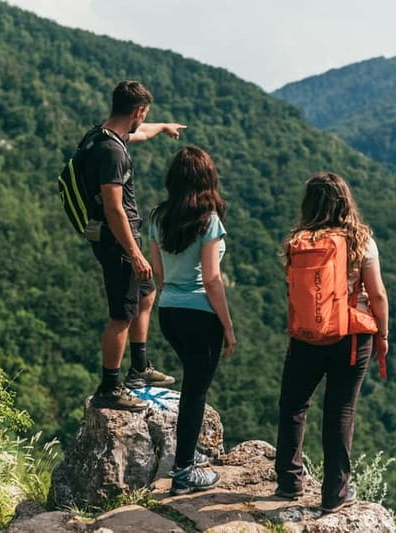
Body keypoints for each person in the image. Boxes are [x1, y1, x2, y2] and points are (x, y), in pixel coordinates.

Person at [274, 172, 389, 513]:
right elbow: (378, 294)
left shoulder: (298, 241)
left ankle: (289, 482)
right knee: (340, 410)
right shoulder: (361, 241)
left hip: (306, 337)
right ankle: (334, 494)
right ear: (345, 201)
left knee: (293, 406)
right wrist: (383, 333)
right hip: (352, 338)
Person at [80, 81, 187, 411]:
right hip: (119, 240)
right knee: (121, 315)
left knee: (146, 294)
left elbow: (140, 133)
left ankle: (139, 367)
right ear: (138, 111)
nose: (146, 120)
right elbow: (114, 208)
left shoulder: (101, 136)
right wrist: (135, 253)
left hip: (114, 236)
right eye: (146, 114)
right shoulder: (112, 154)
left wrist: (163, 127)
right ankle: (110, 387)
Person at [148, 146, 237, 495]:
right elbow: (213, 279)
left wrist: (172, 290)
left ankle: (187, 456)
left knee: (192, 384)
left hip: (169, 313)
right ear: (207, 179)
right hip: (202, 315)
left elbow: (158, 271)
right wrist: (227, 327)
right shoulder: (208, 220)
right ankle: (184, 471)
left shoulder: (157, 217)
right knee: (195, 391)